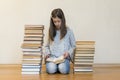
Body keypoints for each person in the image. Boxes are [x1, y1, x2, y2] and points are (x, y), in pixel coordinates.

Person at [45, 8, 76, 74]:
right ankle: (55, 67)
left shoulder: (69, 31)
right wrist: (47, 53)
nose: (57, 23)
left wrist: (68, 53)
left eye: (58, 21)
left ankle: (59, 67)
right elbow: (46, 46)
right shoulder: (51, 31)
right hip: (52, 58)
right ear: (52, 21)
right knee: (51, 69)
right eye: (54, 22)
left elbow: (73, 46)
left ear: (62, 20)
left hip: (63, 58)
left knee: (63, 69)